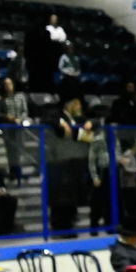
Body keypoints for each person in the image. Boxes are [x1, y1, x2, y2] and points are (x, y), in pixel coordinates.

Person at [47, 95, 94, 234]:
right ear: (69, 104)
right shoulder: (58, 115)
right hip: (60, 162)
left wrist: (90, 123)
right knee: (62, 197)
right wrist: (59, 124)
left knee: (72, 195)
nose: (80, 107)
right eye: (77, 104)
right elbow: (48, 120)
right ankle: (61, 227)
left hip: (75, 162)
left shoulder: (79, 119)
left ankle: (70, 221)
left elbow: (92, 124)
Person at [0, 77, 30, 184]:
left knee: (19, 150)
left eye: (9, 83)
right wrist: (7, 117)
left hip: (19, 128)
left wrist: (20, 119)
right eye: (5, 84)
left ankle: (19, 172)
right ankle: (13, 172)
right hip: (8, 128)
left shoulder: (20, 97)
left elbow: (25, 111)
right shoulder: (1, 99)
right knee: (10, 151)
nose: (8, 86)